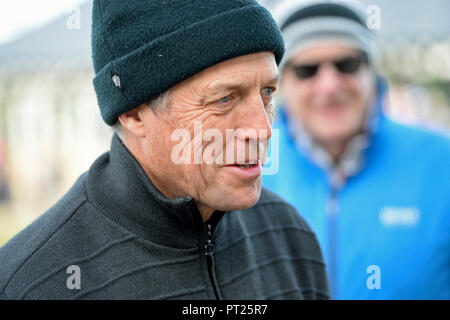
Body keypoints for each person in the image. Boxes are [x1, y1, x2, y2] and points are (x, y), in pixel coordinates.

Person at [0, 0, 329, 300]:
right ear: (133, 113)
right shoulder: (31, 284)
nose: (262, 129)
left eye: (268, 92)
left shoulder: (289, 236)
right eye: (225, 98)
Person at [263, 0, 450, 300]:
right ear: (281, 81)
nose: (329, 85)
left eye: (346, 65)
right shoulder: (247, 166)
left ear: (371, 73)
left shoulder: (442, 161)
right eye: (308, 70)